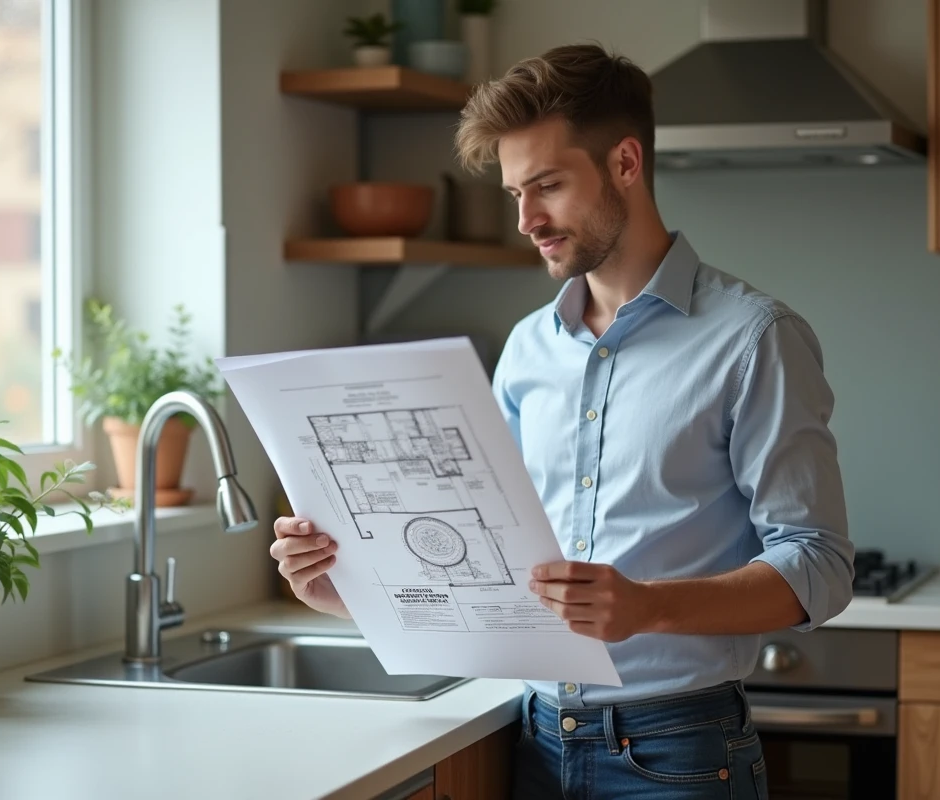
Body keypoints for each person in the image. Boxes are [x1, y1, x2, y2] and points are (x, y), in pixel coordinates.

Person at [270, 43, 855, 800]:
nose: (527, 219)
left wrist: (646, 607)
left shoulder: (753, 337)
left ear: (625, 163)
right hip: (540, 743)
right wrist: (345, 594)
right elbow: (496, 569)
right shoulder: (526, 350)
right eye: (515, 193)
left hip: (680, 754)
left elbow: (820, 564)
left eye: (546, 185)